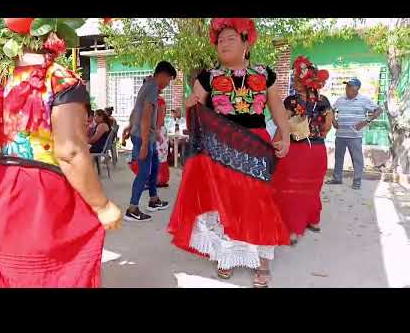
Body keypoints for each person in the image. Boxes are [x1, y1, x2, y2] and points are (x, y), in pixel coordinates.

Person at [0, 18, 121, 288]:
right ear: (54, 34)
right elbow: (70, 152)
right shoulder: (60, 78)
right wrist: (102, 206)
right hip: (38, 199)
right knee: (42, 274)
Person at [168, 18, 290, 288]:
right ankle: (226, 257)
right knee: (226, 201)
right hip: (221, 147)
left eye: (230, 38)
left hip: (256, 146)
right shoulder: (207, 77)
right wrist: (188, 104)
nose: (223, 43)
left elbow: (277, 107)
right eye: (220, 40)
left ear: (246, 43)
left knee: (258, 201)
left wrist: (286, 134)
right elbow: (194, 102)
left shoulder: (265, 74)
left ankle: (262, 262)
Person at [270, 56, 332, 245]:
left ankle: (292, 230)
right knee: (311, 187)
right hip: (318, 151)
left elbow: (282, 126)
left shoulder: (292, 101)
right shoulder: (323, 101)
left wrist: (273, 145)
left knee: (291, 190)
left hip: (297, 151)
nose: (293, 82)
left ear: (305, 81)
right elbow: (328, 126)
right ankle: (313, 220)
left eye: (296, 79)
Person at [123, 61, 176, 222]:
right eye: (168, 80)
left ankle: (153, 200)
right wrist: (145, 143)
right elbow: (146, 115)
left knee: (154, 169)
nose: (167, 84)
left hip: (145, 135)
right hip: (143, 136)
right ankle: (132, 208)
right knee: (144, 172)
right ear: (163, 75)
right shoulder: (152, 87)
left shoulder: (147, 85)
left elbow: (136, 109)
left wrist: (130, 125)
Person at [326, 78, 382, 190]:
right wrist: (333, 121)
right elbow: (331, 110)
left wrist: (366, 121)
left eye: (350, 87)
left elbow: (379, 110)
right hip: (340, 135)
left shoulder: (364, 100)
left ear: (356, 89)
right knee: (338, 157)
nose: (347, 89)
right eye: (347, 87)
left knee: (357, 159)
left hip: (355, 136)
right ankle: (337, 178)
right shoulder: (340, 99)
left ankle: (357, 181)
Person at [126, 91, 170, 188]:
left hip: (154, 130)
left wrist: (157, 130)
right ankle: (149, 179)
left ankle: (153, 180)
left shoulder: (159, 101)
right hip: (147, 130)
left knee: (156, 156)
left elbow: (160, 117)